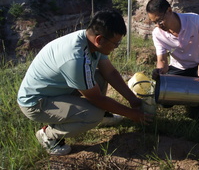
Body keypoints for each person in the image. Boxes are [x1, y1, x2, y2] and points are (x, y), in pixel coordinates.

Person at [17, 9, 152, 156]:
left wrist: (133, 100)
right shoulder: (75, 58)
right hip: (37, 102)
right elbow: (96, 98)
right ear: (100, 39)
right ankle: (49, 135)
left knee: (99, 76)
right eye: (116, 44)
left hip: (58, 90)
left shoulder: (90, 40)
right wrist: (132, 114)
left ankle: (105, 116)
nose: (116, 47)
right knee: (93, 114)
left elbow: (110, 73)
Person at [146, 0, 199, 120]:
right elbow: (162, 60)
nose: (158, 25)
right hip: (178, 68)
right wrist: (160, 71)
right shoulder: (157, 33)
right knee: (164, 101)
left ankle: (197, 106)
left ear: (169, 11)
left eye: (160, 21)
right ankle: (188, 96)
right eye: (154, 22)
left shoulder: (193, 20)